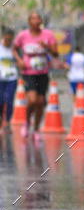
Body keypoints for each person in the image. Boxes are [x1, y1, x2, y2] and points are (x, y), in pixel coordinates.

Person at [13, 12, 59, 143]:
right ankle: (27, 122)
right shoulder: (23, 35)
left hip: (43, 73)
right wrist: (19, 60)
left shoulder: (48, 35)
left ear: (41, 21)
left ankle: (36, 129)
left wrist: (47, 47)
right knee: (32, 100)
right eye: (33, 18)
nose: (36, 20)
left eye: (38, 18)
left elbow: (56, 54)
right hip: (28, 72)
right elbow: (14, 49)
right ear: (29, 21)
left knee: (41, 102)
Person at [0, 28, 18, 127]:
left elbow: (20, 62)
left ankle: (7, 121)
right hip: (1, 79)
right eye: (6, 39)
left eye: (10, 40)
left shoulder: (15, 48)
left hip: (12, 79)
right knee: (1, 101)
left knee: (9, 100)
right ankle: (1, 120)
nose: (8, 42)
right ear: (3, 37)